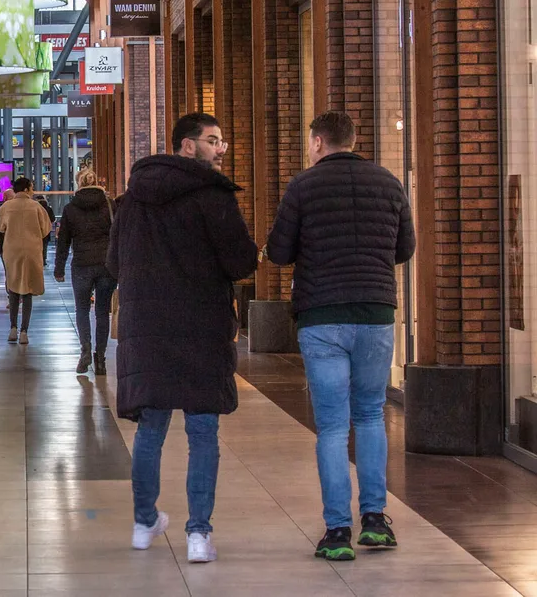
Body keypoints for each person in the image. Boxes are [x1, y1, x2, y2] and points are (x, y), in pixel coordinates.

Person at [107, 112, 259, 564]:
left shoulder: (132, 201)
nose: (220, 150)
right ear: (187, 146)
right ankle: (198, 535)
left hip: (147, 329)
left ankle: (143, 522)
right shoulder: (214, 197)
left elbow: (115, 263)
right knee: (202, 430)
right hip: (201, 327)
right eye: (213, 141)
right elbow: (240, 262)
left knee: (150, 429)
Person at [265, 111, 414, 561]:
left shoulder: (302, 187)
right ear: (353, 140)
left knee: (332, 426)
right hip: (375, 311)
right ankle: (375, 521)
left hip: (322, 316)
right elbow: (404, 249)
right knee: (369, 415)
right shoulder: (388, 183)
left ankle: (336, 531)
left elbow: (278, 251)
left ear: (316, 143)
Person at [54, 168, 114, 376]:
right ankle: (101, 359)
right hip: (106, 265)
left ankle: (85, 351)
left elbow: (63, 241)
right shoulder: (109, 205)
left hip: (81, 264)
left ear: (79, 184)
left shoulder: (71, 208)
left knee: (81, 309)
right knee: (102, 312)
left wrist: (59, 268)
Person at [0, 178, 51, 345]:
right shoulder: (36, 207)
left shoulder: (7, 207)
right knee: (28, 290)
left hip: (12, 251)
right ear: (27, 189)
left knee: (13, 287)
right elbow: (46, 229)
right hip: (32, 251)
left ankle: (12, 328)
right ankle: (24, 331)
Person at [36, 194, 55, 266]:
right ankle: (43, 259)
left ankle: (37, 259)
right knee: (44, 245)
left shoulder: (35, 208)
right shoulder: (48, 209)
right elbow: (52, 219)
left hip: (36, 230)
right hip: (46, 230)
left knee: (36, 245)